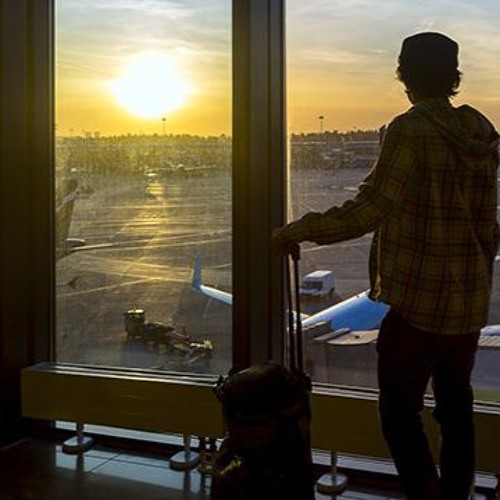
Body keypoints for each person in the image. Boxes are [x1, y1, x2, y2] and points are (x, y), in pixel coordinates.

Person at [273, 32, 499, 500]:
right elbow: (487, 224)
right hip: (469, 305)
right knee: (456, 410)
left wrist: (299, 229)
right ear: (453, 76)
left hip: (420, 306)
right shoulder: (481, 133)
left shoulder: (409, 130)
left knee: (398, 414)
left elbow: (369, 210)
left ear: (404, 75)